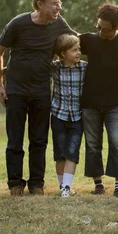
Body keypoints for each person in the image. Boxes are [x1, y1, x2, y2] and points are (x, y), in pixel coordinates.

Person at [0, 0, 74, 196]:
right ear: (40, 4)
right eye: (55, 4)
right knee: (15, 139)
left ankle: (36, 184)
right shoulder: (18, 24)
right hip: (16, 91)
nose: (59, 8)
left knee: (39, 140)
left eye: (59, 3)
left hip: (41, 91)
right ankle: (15, 183)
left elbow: (78, 39)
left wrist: (110, 34)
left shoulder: (58, 24)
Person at [80, 3, 118, 197]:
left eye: (105, 29)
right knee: (92, 143)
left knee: (117, 141)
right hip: (89, 101)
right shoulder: (88, 40)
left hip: (115, 101)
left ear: (117, 26)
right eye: (98, 27)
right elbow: (64, 49)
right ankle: (98, 183)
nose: (101, 31)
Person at [51, 34, 87, 197]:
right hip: (58, 115)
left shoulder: (85, 67)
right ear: (63, 53)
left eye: (79, 49)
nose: (78, 53)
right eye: (74, 50)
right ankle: (62, 186)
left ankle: (66, 187)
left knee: (72, 152)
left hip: (77, 118)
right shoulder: (55, 67)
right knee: (60, 153)